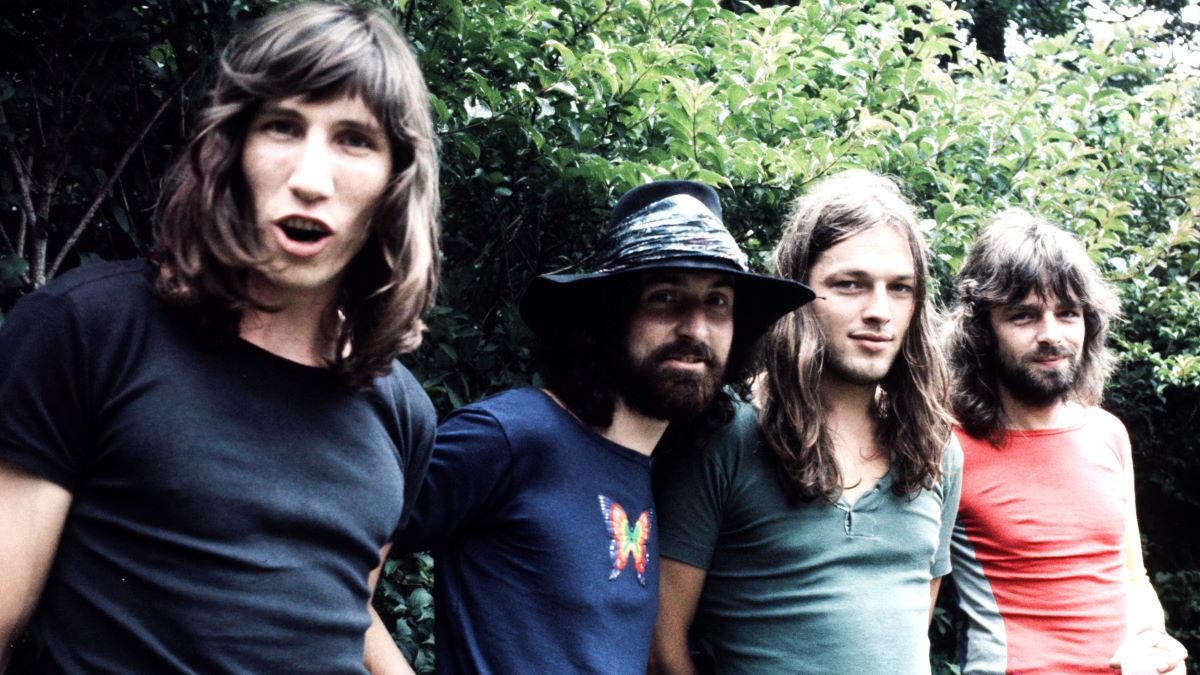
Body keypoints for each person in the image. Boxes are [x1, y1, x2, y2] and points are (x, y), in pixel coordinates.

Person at [0, 3, 439, 673]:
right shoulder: (86, 331)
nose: (311, 179)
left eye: (354, 139)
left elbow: (341, 613)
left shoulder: (403, 412)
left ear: (395, 181)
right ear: (231, 150)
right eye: (282, 127)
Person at [379, 181, 814, 673]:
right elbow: (335, 556)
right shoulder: (513, 436)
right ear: (609, 317)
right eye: (666, 297)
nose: (696, 328)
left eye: (717, 303)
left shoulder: (651, 472)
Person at [651, 170, 962, 674]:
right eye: (850, 285)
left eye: (899, 288)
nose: (879, 311)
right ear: (797, 293)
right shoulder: (727, 436)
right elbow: (660, 642)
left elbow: (909, 631)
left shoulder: (935, 449)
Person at [945, 209, 1188, 675]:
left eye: (1068, 314)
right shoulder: (947, 444)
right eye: (1023, 316)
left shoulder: (1107, 432)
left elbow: (1132, 577)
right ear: (982, 330)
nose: (1051, 335)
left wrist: (1154, 647)